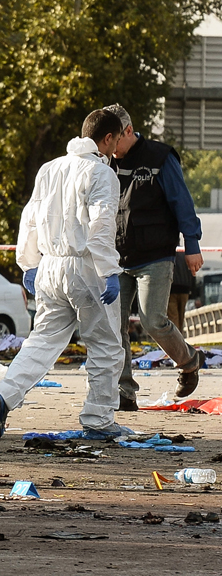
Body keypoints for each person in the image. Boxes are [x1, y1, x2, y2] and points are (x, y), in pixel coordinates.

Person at [0, 109, 128, 439]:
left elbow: (30, 217)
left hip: (49, 265)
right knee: (105, 345)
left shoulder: (50, 169)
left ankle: (3, 394)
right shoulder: (101, 174)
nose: (117, 146)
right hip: (85, 265)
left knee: (41, 342)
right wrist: (109, 271)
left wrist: (29, 263)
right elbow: (101, 225)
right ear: (107, 138)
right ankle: (99, 418)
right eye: (116, 140)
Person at [102, 104, 205, 409]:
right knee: (114, 325)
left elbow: (182, 202)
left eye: (113, 140)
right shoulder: (103, 161)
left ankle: (189, 362)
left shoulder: (160, 157)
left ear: (129, 132)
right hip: (116, 258)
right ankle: (124, 392)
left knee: (152, 320)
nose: (108, 146)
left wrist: (193, 245)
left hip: (156, 257)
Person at [168, 253, 194, 333]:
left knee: (173, 316)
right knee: (181, 316)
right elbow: (192, 272)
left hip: (171, 289)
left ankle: (176, 340)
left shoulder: (168, 255)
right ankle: (181, 338)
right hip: (185, 290)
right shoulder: (185, 254)